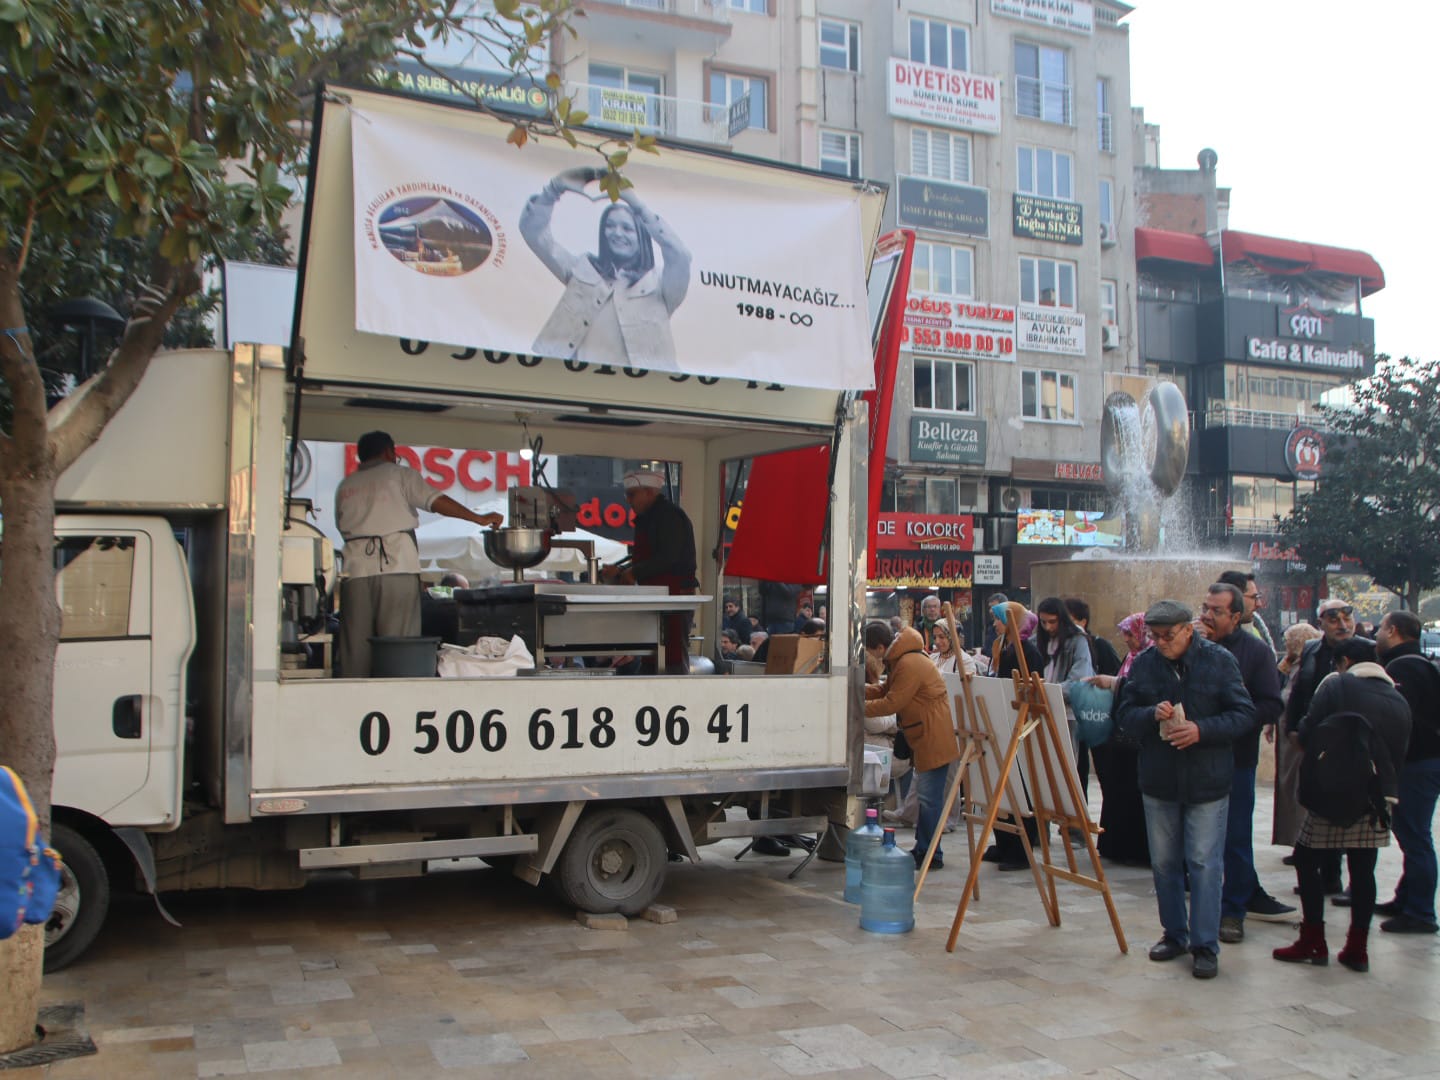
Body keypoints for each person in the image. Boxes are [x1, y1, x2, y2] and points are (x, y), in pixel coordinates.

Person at [1116, 600, 1256, 980]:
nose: (1161, 643)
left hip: (1207, 779)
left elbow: (1245, 714)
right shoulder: (1144, 664)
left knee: (1204, 863)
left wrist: (1201, 730)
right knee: (1164, 863)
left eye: (1168, 636)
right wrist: (1150, 715)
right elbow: (1125, 716)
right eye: (1155, 636)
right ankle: (1174, 933)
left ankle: (1205, 944)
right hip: (1159, 779)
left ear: (1188, 630)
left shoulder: (1218, 660)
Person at [1273, 637, 1410, 972]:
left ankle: (1313, 940)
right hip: (1373, 799)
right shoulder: (1398, 698)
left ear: (1344, 661)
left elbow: (1307, 731)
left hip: (1330, 794)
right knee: (1363, 871)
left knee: (1306, 861)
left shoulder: (1337, 686)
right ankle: (1357, 948)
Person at [335, 431, 503, 677]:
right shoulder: (399, 475)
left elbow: (341, 526)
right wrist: (477, 517)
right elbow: (436, 501)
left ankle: (353, 702)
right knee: (398, 643)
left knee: (355, 647)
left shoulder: (346, 485)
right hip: (396, 565)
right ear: (390, 452)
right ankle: (395, 703)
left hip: (354, 570)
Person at [520, 166, 691, 369]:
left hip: (643, 392)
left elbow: (680, 256)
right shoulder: (583, 269)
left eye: (627, 228)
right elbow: (535, 235)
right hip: (579, 387)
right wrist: (553, 190)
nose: (617, 233)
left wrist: (637, 205)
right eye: (610, 226)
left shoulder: (660, 284)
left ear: (641, 236)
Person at [1200, 583, 1291, 945]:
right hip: (1194, 757)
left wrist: (1232, 720)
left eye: (1216, 611)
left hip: (1237, 759)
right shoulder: (1192, 647)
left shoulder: (1255, 652)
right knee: (1198, 841)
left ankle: (1233, 911)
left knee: (1235, 837)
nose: (1207, 616)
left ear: (1236, 617)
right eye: (1205, 608)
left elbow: (1273, 704)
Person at [1285, 599, 1368, 897]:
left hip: (1357, 744)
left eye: (1347, 618)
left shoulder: (1366, 650)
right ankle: (1328, 876)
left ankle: (1356, 882)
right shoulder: (1311, 650)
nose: (1342, 624)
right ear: (1321, 623)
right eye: (1334, 619)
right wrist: (1291, 728)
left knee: (1358, 813)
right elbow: (1299, 691)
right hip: (1318, 740)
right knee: (1321, 806)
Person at [866, 625, 961, 870]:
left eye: (871, 651)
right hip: (925, 735)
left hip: (933, 735)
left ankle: (930, 854)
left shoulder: (908, 663)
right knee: (925, 797)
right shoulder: (902, 659)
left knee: (929, 799)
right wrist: (855, 689)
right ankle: (925, 849)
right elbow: (885, 690)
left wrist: (855, 705)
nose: (872, 658)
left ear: (880, 647)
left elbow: (892, 702)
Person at [1374, 610, 1440, 934]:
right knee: (1411, 834)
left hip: (1418, 763)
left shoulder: (1402, 667)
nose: (1377, 635)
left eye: (1381, 629)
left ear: (1394, 631)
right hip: (1424, 760)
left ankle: (1421, 912)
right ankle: (1406, 898)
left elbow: (1398, 715)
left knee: (1416, 836)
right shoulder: (1421, 662)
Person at [600, 469, 698, 674]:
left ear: (649, 492)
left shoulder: (670, 516)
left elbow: (668, 557)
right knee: (653, 652)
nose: (628, 500)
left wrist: (633, 572)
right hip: (655, 597)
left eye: (632, 494)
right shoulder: (648, 518)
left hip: (674, 596)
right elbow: (645, 558)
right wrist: (622, 570)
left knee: (671, 654)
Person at [983, 601, 1046, 871]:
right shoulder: (1004, 647)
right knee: (1001, 789)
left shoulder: (1025, 651)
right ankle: (1004, 842)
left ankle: (1019, 850)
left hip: (1019, 726)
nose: (996, 624)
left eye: (999, 619)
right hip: (1003, 723)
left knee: (1019, 789)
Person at [1088, 612, 1152, 866]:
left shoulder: (1150, 658)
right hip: (1120, 735)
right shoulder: (1132, 657)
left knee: (1134, 795)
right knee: (1117, 791)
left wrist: (1114, 683)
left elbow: (1142, 690)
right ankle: (1116, 845)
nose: (1126, 639)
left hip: (1137, 738)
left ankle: (1135, 850)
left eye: (1130, 633)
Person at [1035, 597, 1096, 797]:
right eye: (1043, 622)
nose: (1048, 627)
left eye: (1052, 622)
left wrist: (1047, 691)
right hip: (1042, 713)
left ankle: (1073, 824)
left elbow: (1079, 679)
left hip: (1068, 713)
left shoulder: (1077, 641)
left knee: (1068, 770)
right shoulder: (1038, 640)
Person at [1273, 622, 1324, 850]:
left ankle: (1301, 840)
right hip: (1287, 732)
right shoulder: (1293, 664)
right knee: (1289, 786)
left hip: (1297, 736)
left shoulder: (1309, 666)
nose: (1285, 645)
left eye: (1288, 641)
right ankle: (1294, 838)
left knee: (1297, 786)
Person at [1217, 570, 1276, 653]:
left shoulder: (1256, 633)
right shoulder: (1201, 639)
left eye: (1258, 597)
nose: (1259, 604)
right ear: (1234, 598)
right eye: (1253, 597)